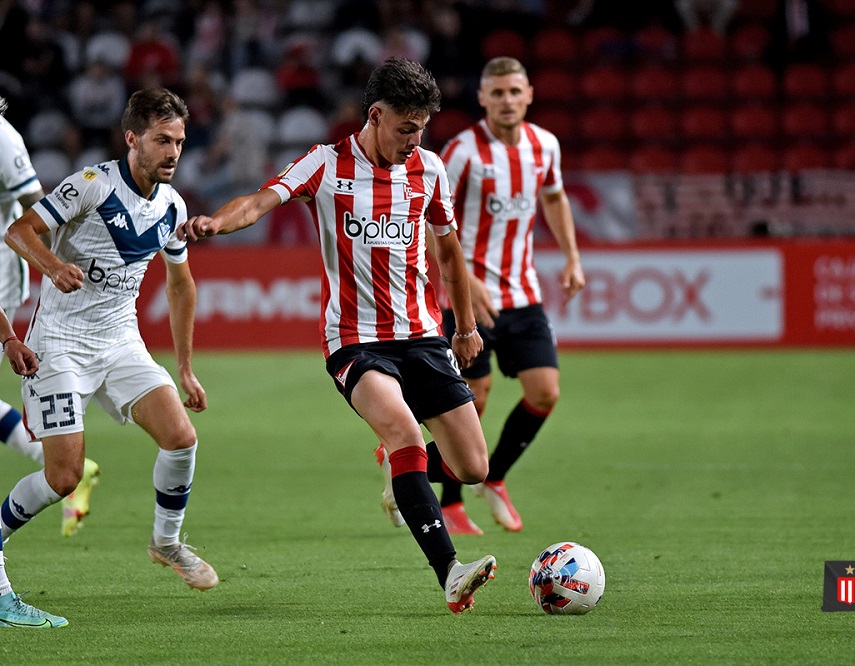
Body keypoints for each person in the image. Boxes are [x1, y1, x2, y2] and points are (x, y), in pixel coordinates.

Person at [175, 57, 497, 614]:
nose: (414, 140)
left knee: (474, 468)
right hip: (355, 340)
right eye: (405, 128)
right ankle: (449, 571)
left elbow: (449, 251)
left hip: (422, 335)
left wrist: (464, 326)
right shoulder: (326, 164)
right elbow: (259, 200)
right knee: (403, 432)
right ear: (375, 115)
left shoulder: (430, 170)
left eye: (422, 129)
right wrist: (214, 224)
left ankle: (405, 483)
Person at [1, 88, 218, 629]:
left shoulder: (172, 206)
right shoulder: (92, 186)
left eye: (180, 142)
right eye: (161, 140)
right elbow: (19, 230)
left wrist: (185, 367)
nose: (173, 152)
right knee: (64, 476)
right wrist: (51, 266)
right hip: (60, 345)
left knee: (182, 438)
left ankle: (165, 543)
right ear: (132, 140)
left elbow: (181, 285)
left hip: (120, 341)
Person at [391, 56, 585, 536]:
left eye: (514, 92)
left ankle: (493, 476)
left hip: (522, 292)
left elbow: (555, 197)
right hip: (468, 298)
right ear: (482, 98)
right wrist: (467, 281)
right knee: (472, 398)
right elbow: (428, 214)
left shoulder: (545, 146)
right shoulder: (461, 152)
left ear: (529, 95)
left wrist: (572, 256)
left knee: (545, 391)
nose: (506, 101)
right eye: (496, 93)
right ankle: (448, 498)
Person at [0, 95, 101, 539]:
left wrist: (55, 267)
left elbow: (37, 206)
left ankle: (56, 465)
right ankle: (56, 461)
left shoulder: (3, 139)